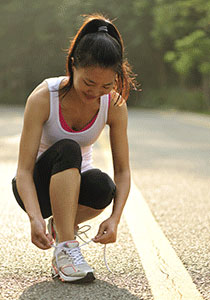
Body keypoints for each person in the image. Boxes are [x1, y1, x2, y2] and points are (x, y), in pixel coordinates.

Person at [12, 14, 136, 283]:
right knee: (69, 148)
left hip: (74, 187)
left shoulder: (114, 106)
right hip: (36, 187)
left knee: (104, 186)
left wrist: (115, 219)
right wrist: (34, 218)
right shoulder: (45, 97)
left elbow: (123, 171)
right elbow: (23, 171)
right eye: (88, 83)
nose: (95, 92)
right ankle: (66, 249)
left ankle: (61, 227)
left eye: (106, 85)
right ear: (73, 66)